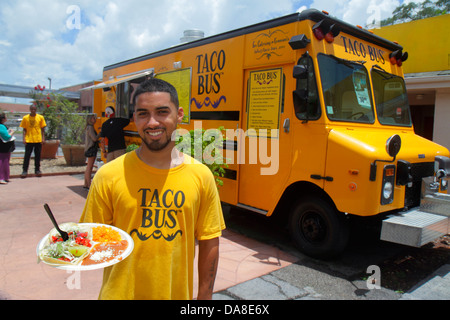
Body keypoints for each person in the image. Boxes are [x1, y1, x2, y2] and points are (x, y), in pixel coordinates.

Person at [80, 78, 225, 300]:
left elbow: (209, 240)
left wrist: (204, 297)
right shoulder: (108, 175)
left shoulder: (201, 176)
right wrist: (67, 245)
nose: (152, 122)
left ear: (179, 115)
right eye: (143, 114)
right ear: (135, 118)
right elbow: (89, 239)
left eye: (162, 112)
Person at [20, 105, 46, 178]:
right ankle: (25, 171)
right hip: (29, 139)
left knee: (37, 155)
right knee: (27, 156)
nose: (33, 111)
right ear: (30, 109)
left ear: (36, 109)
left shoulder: (40, 117)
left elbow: (43, 129)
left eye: (34, 109)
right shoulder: (25, 118)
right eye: (32, 109)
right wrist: (24, 138)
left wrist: (43, 138)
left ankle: (37, 169)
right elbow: (24, 129)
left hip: (38, 139)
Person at [83, 114, 100, 189]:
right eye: (93, 118)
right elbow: (94, 138)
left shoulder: (88, 127)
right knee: (90, 167)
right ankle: (89, 185)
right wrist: (100, 133)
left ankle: (86, 184)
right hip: (91, 148)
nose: (95, 119)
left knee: (88, 167)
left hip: (88, 148)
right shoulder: (90, 128)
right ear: (90, 119)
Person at [0, 113, 15, 184]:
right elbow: (6, 137)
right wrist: (11, 132)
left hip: (3, 147)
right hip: (3, 147)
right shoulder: (1, 126)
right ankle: (1, 178)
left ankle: (5, 177)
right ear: (3, 119)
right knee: (3, 162)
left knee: (5, 162)